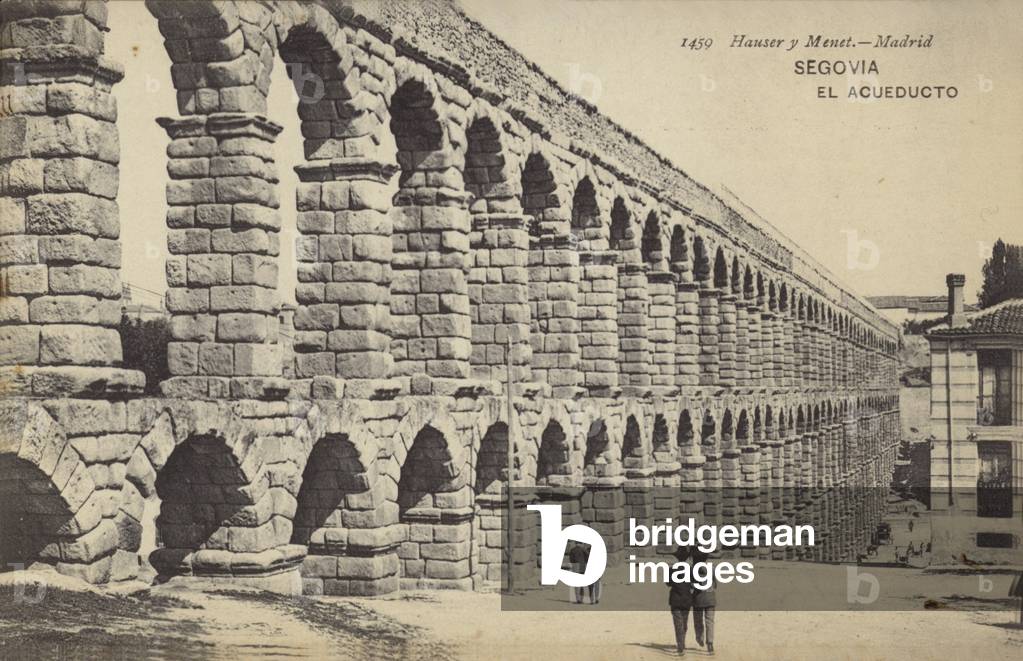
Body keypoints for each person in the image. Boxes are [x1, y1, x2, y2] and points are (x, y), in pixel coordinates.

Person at [667, 546, 716, 656]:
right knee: (709, 621)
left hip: (692, 599)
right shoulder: (709, 568)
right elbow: (713, 583)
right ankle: (710, 643)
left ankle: (692, 640)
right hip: (708, 598)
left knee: (693, 621)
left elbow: (670, 583)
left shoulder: (679, 569)